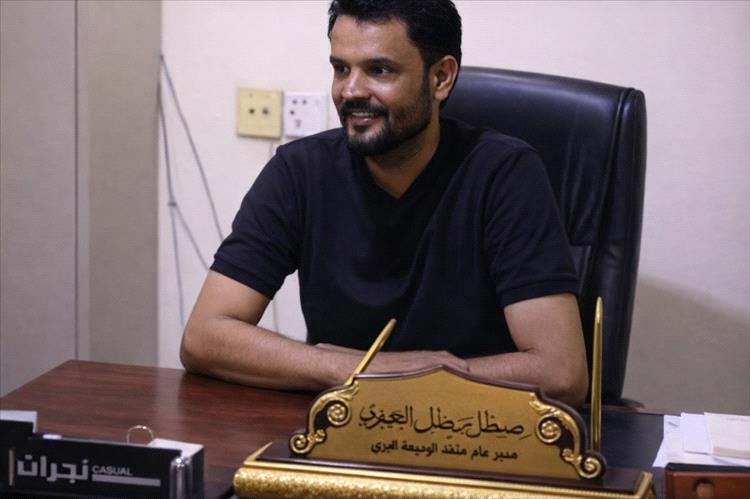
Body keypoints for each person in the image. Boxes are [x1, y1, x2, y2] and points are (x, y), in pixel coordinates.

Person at [180, 0, 589, 406]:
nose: (351, 91)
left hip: (471, 425)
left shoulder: (505, 173)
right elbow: (203, 337)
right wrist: (359, 369)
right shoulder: (299, 171)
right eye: (341, 68)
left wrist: (408, 378)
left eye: (379, 70)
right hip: (341, 425)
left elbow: (561, 372)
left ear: (441, 78)